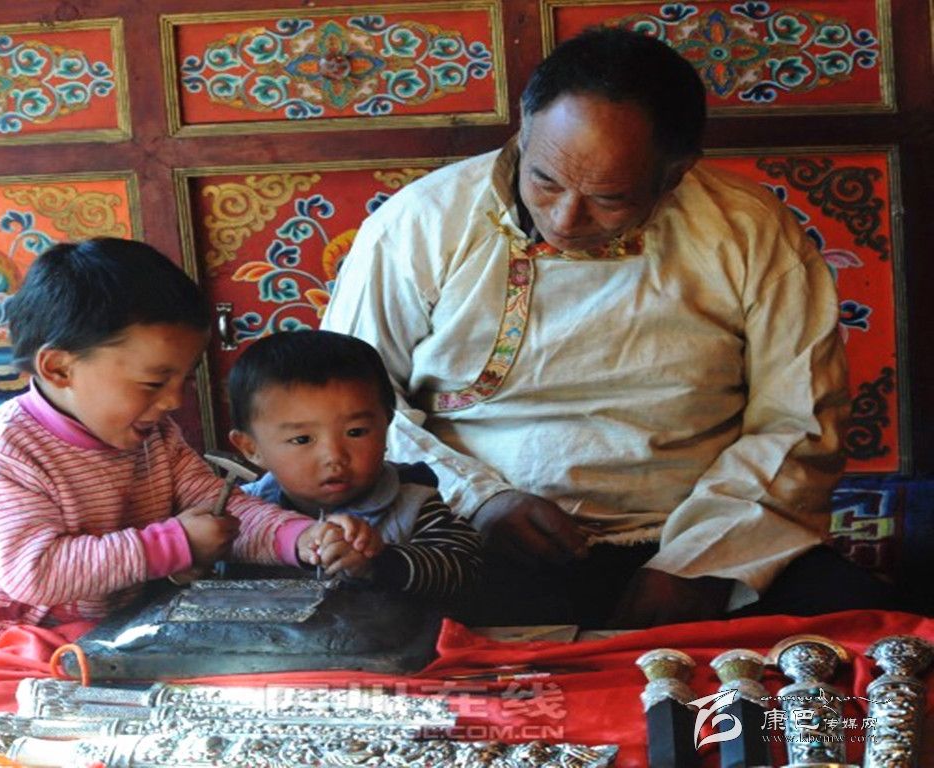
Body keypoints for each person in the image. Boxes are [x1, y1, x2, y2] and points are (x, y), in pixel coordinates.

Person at [322, 27, 896, 628]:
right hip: (467, 535)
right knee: (376, 633)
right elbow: (345, 405)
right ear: (524, 130)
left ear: (674, 175)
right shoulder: (421, 222)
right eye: (544, 180)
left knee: (875, 639)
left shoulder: (748, 231)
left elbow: (798, 421)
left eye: (609, 198)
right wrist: (480, 499)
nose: (565, 219)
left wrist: (698, 566)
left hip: (697, 533)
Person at [0, 238, 375, 721]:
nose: (172, 401)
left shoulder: (155, 437)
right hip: (6, 682)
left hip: (108, 656)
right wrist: (175, 543)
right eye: (153, 383)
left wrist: (301, 538)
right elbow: (37, 572)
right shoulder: (0, 454)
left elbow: (225, 509)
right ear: (59, 368)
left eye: (184, 380)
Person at [228, 330, 483, 598]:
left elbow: (464, 568)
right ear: (251, 448)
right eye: (302, 439)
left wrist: (379, 562)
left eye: (356, 432)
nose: (334, 456)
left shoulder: (413, 506)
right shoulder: (239, 514)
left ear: (386, 425)